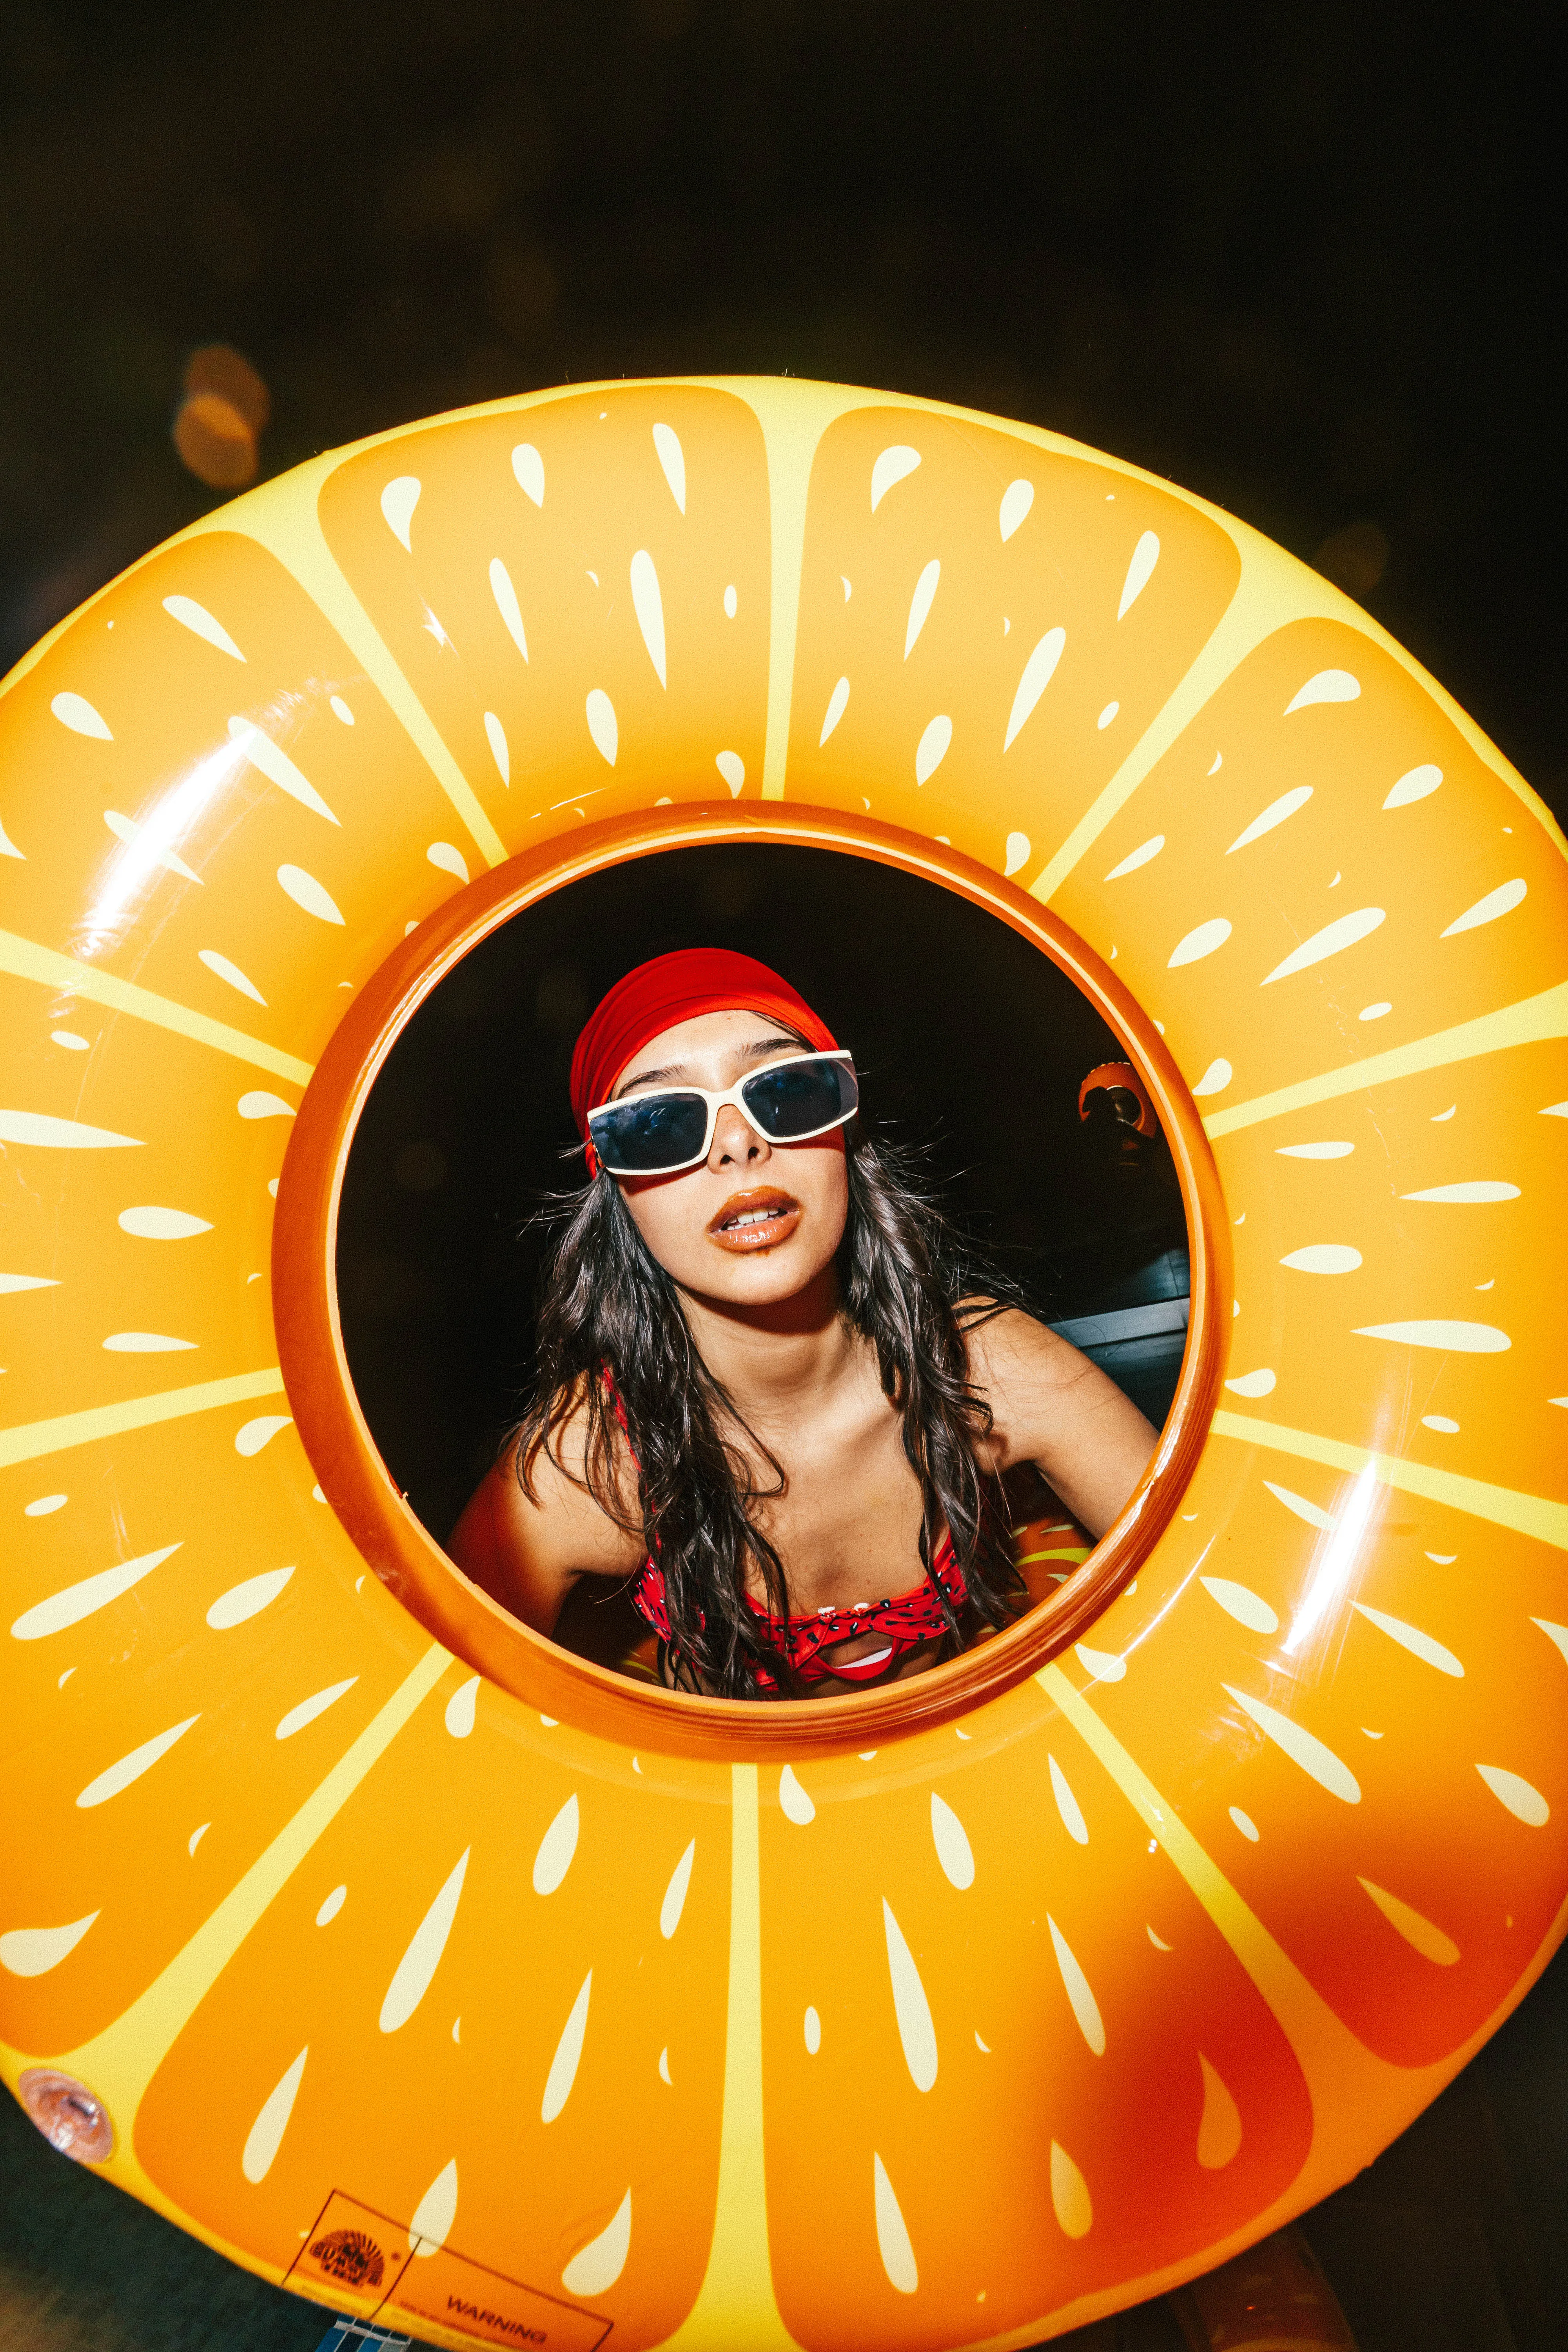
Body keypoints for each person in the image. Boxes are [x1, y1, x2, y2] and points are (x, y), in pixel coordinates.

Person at [450, 949, 1157, 1699]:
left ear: (845, 1139)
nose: (737, 1144)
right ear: (614, 1189)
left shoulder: (986, 1365)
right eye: (658, 1122)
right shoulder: (582, 1468)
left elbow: (1225, 1578)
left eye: (785, 1090)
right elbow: (442, 1721)